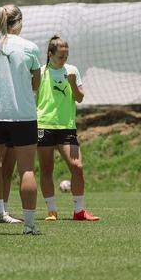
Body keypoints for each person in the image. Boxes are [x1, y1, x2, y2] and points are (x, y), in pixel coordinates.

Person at [0, 4, 43, 235]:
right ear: (20, 22)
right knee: (27, 170)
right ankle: (29, 225)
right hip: (23, 116)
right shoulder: (30, 47)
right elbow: (36, 83)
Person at [36, 35, 100, 222]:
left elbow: (79, 98)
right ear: (50, 54)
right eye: (61, 56)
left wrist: (72, 82)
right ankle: (51, 211)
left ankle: (79, 211)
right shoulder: (40, 72)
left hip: (66, 127)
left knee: (77, 167)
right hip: (44, 125)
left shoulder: (72, 70)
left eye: (66, 56)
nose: (64, 60)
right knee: (47, 169)